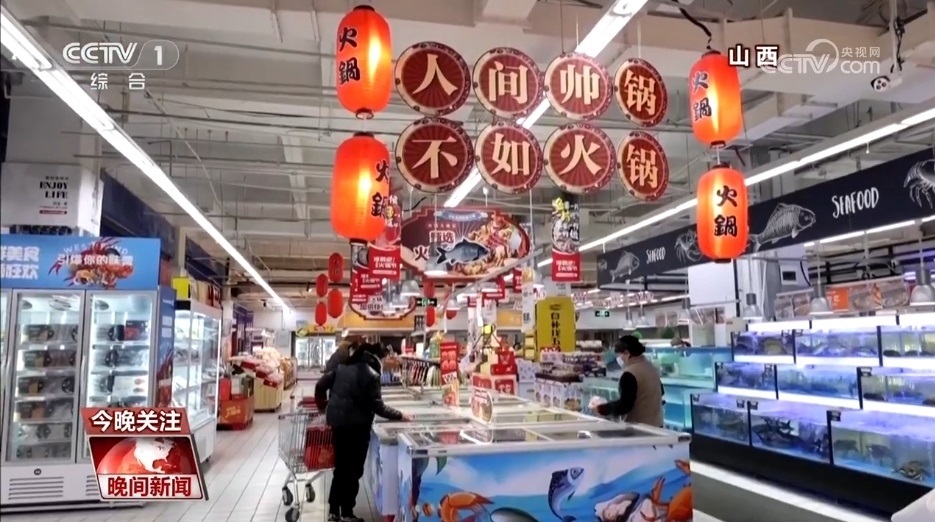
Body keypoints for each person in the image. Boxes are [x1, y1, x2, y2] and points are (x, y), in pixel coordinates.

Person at [314, 342, 411, 521]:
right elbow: (379, 407)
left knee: (341, 468)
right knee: (353, 471)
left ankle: (334, 511)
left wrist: (325, 407)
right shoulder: (371, 374)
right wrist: (401, 415)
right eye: (384, 359)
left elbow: (320, 386)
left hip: (338, 424)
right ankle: (347, 513)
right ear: (378, 358)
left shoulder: (342, 368)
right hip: (357, 428)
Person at [593, 335, 664, 427]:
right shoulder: (651, 367)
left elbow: (625, 406)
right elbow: (661, 391)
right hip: (657, 426)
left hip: (641, 428)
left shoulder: (630, 374)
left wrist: (603, 408)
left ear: (627, 353)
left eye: (619, 355)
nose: (619, 358)